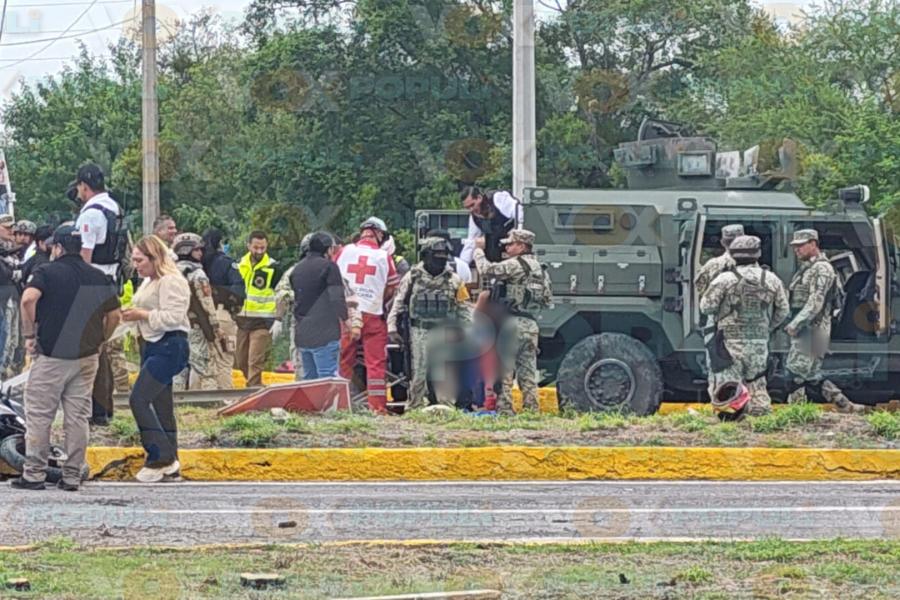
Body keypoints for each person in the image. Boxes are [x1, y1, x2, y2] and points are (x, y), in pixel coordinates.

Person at [11, 225, 120, 491]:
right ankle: (72, 475)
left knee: (39, 414)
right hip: (87, 356)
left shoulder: (46, 272)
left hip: (52, 355)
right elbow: (115, 314)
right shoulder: (98, 276)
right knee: (78, 416)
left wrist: (29, 335)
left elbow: (28, 300)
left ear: (57, 248)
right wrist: (101, 339)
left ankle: (35, 473)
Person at [121, 235, 190, 483]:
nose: (136, 265)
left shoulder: (171, 281)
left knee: (138, 399)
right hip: (152, 343)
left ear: (154, 257)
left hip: (169, 344)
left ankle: (160, 456)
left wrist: (142, 313)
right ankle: (171, 461)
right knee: (162, 405)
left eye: (139, 260)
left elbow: (173, 317)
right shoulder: (150, 281)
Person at [699, 236, 789, 417]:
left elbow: (706, 307)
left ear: (733, 255)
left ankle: (731, 421)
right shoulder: (771, 279)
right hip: (759, 341)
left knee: (728, 387)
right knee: (757, 382)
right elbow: (783, 310)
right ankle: (761, 419)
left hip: (729, 343)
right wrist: (767, 327)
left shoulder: (724, 279)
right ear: (758, 254)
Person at [387, 237, 473, 409]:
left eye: (443, 256)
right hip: (419, 330)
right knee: (418, 371)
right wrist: (392, 327)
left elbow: (464, 308)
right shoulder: (413, 277)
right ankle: (415, 407)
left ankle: (446, 407)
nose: (440, 260)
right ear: (426, 255)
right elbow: (398, 302)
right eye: (436, 255)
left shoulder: (453, 279)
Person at [473, 229, 553, 412]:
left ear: (522, 246)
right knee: (528, 373)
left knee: (505, 372)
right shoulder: (541, 270)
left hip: (511, 324)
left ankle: (505, 410)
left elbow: (487, 270)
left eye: (511, 243)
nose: (507, 247)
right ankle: (532, 411)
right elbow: (548, 300)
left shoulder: (514, 265)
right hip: (531, 325)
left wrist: (478, 251)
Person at [784, 229, 864, 413]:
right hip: (809, 328)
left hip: (812, 328)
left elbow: (816, 301)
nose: (797, 250)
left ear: (813, 244)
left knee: (795, 373)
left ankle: (795, 412)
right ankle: (843, 404)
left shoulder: (822, 268)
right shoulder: (810, 268)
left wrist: (796, 323)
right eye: (795, 246)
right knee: (812, 375)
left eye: (801, 246)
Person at [71, 163, 123, 426]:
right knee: (101, 348)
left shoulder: (91, 214)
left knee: (91, 349)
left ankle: (96, 410)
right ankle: (104, 407)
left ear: (84, 186)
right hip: (110, 281)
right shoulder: (114, 207)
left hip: (92, 286)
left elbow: (85, 256)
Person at [336, 218, 401, 413]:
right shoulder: (384, 256)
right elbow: (392, 286)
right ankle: (378, 407)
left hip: (346, 314)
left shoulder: (344, 251)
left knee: (343, 361)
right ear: (379, 234)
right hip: (373, 314)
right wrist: (378, 301)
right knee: (376, 363)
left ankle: (340, 406)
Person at [289, 232, 351, 379]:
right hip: (325, 332)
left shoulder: (297, 269)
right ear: (328, 249)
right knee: (327, 378)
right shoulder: (329, 267)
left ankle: (311, 403)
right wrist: (346, 320)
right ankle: (327, 404)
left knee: (309, 379)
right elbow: (336, 298)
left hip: (303, 333)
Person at [695, 223, 744, 398]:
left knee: (717, 368)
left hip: (717, 324)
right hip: (749, 324)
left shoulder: (712, 265)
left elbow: (701, 290)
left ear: (723, 243)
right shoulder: (755, 267)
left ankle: (721, 405)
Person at [172, 233, 222, 390]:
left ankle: (177, 400)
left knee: (178, 368)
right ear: (187, 251)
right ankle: (207, 400)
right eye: (197, 250)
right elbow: (207, 304)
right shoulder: (198, 274)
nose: (201, 253)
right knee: (206, 366)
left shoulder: (169, 272)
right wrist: (215, 328)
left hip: (175, 326)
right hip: (196, 326)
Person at [235, 231, 280, 388]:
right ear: (248, 246)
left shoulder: (273, 267)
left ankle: (253, 391)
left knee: (255, 360)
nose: (259, 251)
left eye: (263, 248)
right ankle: (255, 385)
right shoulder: (239, 265)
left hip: (263, 321)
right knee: (240, 360)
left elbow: (281, 293)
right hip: (241, 320)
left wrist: (278, 319)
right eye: (256, 248)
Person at [201, 229, 245, 389]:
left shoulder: (198, 265)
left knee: (203, 362)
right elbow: (239, 290)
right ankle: (226, 398)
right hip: (222, 314)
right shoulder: (226, 263)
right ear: (219, 243)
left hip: (198, 318)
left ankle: (199, 399)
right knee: (225, 360)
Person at [459, 187, 522, 266]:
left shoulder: (498, 199)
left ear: (479, 198)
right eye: (467, 208)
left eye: (472, 205)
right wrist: (462, 264)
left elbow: (521, 217)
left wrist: (516, 235)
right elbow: (471, 242)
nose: (471, 210)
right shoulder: (474, 218)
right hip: (494, 257)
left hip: (514, 254)